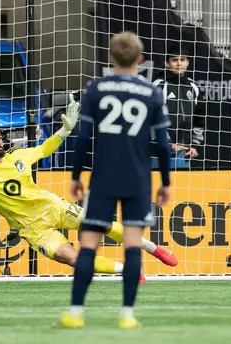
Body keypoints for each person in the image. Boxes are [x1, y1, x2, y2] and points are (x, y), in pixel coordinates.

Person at [0, 118, 177, 283]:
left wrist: (64, 130)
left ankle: (155, 250)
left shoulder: (19, 155)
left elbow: (45, 148)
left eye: (0, 137)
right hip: (32, 228)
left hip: (52, 207)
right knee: (71, 259)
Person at [57, 32, 172, 329]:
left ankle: (75, 313)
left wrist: (75, 176)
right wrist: (166, 181)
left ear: (110, 58)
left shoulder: (96, 88)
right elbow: (161, 142)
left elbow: (84, 138)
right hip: (137, 178)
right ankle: (127, 315)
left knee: (89, 245)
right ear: (140, 60)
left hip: (104, 176)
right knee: (133, 246)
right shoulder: (151, 93)